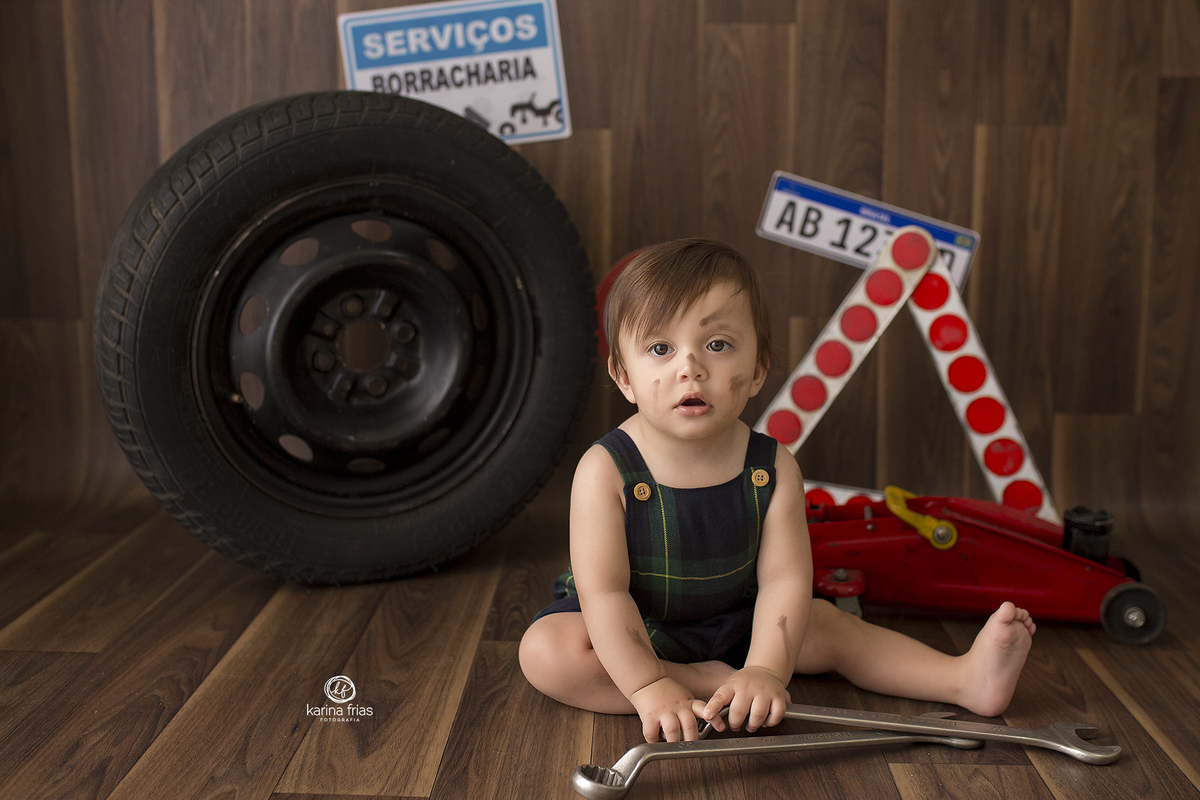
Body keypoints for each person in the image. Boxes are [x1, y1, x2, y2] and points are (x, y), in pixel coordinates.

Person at [518, 238, 1036, 744]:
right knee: (546, 652)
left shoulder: (771, 467)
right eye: (660, 348)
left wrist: (767, 667)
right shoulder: (605, 469)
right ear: (624, 377)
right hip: (638, 626)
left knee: (829, 627)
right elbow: (605, 594)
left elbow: (786, 579)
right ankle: (704, 683)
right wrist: (648, 685)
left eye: (717, 345)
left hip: (744, 620)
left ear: (758, 369)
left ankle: (964, 679)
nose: (690, 366)